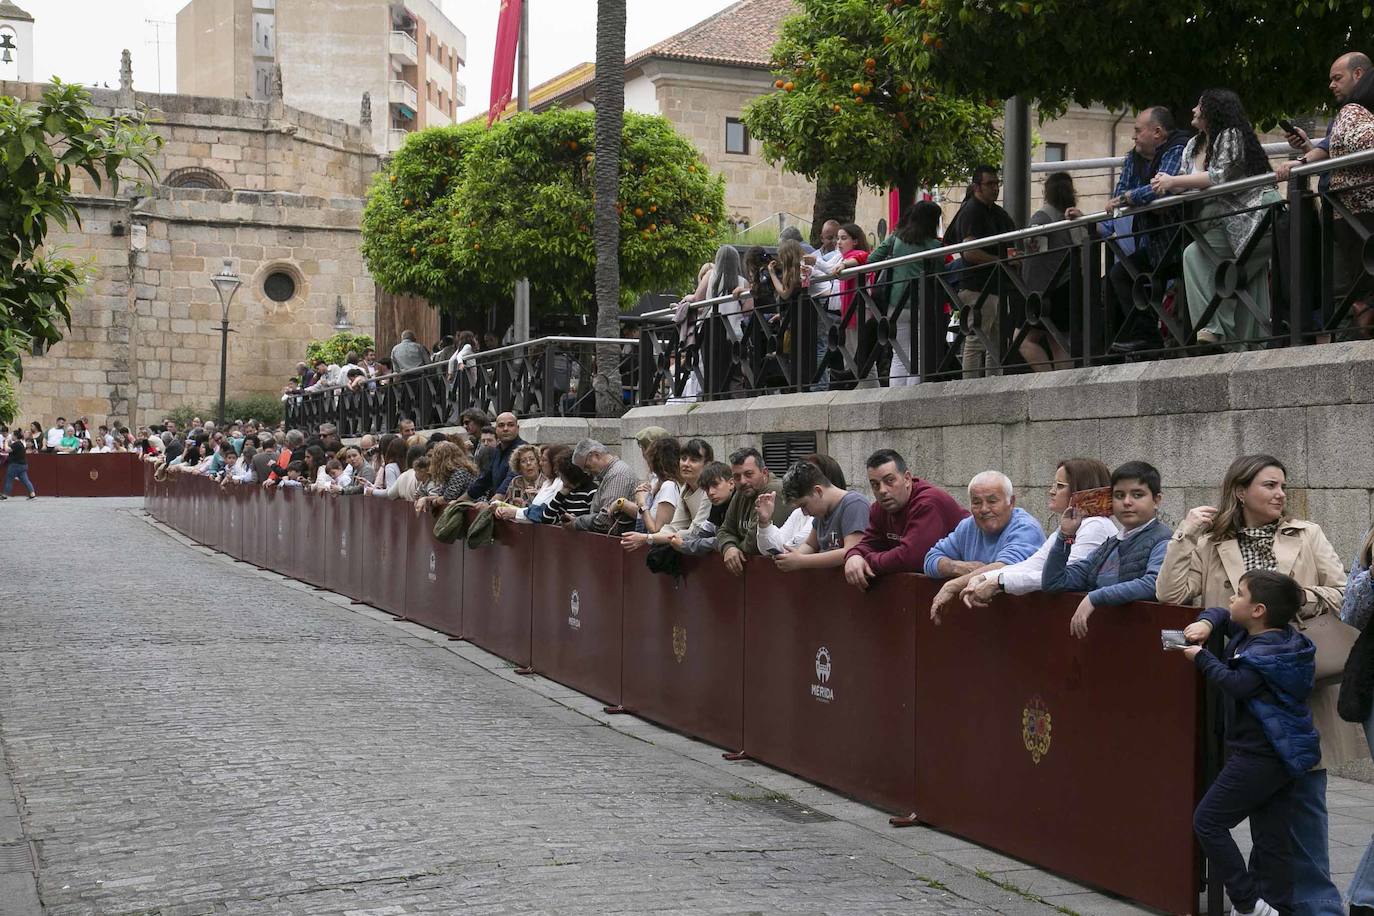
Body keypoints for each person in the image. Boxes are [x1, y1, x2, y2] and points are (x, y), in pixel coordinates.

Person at [1157, 454, 1359, 916]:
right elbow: (1170, 596)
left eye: (1283, 486)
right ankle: (1268, 902)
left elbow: (1342, 591)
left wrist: (1289, 598)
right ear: (1240, 490)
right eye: (1270, 485)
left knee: (1305, 802)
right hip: (1240, 690)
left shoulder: (1306, 534)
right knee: (1265, 814)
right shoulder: (1209, 540)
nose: (1280, 494)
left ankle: (1317, 906)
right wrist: (1185, 530)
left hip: (1296, 683)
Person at [1181, 570, 1321, 916]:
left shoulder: (1265, 653)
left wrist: (1201, 658)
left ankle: (1246, 902)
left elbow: (1237, 683)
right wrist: (1207, 622)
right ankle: (1277, 908)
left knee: (1208, 821)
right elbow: (1218, 612)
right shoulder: (1267, 636)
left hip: (1260, 755)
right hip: (1277, 754)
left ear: (1257, 610)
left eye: (1238, 593)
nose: (1231, 598)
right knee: (1272, 836)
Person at [1150, 89, 1279, 350]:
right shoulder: (1193, 145)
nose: (1194, 110)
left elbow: (1219, 177)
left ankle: (1228, 337)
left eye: (1199, 105)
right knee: (1204, 260)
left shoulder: (1230, 136)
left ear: (1214, 110)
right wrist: (1165, 184)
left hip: (1257, 214)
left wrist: (1173, 181)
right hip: (1228, 221)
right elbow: (1189, 183)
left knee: (1232, 274)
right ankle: (1223, 335)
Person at [1041, 461, 1172, 638]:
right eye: (1119, 495)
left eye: (1137, 495)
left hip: (1144, 642)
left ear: (1156, 500)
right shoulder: (1109, 546)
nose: (1127, 502)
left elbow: (1154, 584)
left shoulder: (1164, 540)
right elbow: (1054, 582)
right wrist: (1065, 536)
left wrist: (1094, 598)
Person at [960, 458, 1115, 607]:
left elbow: (1061, 576)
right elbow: (1034, 564)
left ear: (1082, 491)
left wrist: (999, 582)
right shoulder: (1074, 525)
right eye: (1054, 485)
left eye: (1060, 486)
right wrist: (982, 577)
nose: (1051, 491)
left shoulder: (1096, 525)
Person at [1106, 106, 1191, 351]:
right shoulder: (1134, 157)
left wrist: (1132, 198)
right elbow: (1119, 194)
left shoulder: (1177, 147)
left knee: (1131, 277)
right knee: (1120, 275)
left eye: (1137, 130)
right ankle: (1147, 339)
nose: (1133, 136)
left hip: (1179, 239)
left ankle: (1178, 340)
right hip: (1155, 243)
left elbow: (1161, 187)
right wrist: (1137, 198)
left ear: (1157, 132)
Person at [925, 471, 1045, 620]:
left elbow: (1006, 567)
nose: (984, 509)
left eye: (992, 501)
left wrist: (952, 586)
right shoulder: (968, 526)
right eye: (976, 502)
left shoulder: (1026, 528)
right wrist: (959, 568)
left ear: (1011, 502)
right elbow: (930, 559)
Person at [844, 449, 968, 591]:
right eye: (875, 484)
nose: (882, 490)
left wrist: (866, 561)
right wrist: (853, 556)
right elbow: (869, 543)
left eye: (889, 481)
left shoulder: (928, 503)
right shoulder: (879, 508)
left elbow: (912, 558)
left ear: (907, 479)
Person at [945, 164, 1017, 378]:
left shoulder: (995, 212)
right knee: (978, 340)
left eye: (997, 183)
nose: (995, 188)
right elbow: (969, 252)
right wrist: (1002, 260)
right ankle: (971, 389)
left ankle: (991, 387)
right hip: (977, 285)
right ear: (977, 186)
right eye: (990, 184)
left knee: (993, 342)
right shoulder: (972, 211)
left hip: (991, 285)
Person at [869, 201, 943, 386]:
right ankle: (912, 400)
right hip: (922, 305)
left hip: (896, 305)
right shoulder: (935, 245)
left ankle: (895, 397)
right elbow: (941, 273)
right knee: (918, 357)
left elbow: (872, 259)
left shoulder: (895, 239)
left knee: (899, 355)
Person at [1020, 172, 1085, 371]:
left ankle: (1048, 381)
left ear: (1046, 192)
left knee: (1022, 341)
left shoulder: (1041, 217)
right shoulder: (1073, 216)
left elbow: (1035, 256)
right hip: (1070, 285)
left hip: (1046, 290)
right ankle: (1062, 388)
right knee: (1059, 341)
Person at [765, 459, 870, 572]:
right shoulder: (821, 512)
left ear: (818, 491)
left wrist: (801, 561)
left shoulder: (854, 504)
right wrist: (792, 556)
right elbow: (810, 545)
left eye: (804, 505)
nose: (804, 513)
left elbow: (851, 550)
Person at [620, 438, 714, 550]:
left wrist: (647, 537)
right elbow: (674, 527)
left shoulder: (711, 490)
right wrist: (647, 537)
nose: (686, 464)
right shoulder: (685, 488)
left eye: (694, 460)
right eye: (683, 459)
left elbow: (695, 532)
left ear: (707, 464)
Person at [715, 447, 791, 576]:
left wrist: (735, 545)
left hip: (777, 576)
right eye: (737, 477)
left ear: (764, 473)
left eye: (749, 474)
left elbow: (755, 545)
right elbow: (724, 530)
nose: (743, 481)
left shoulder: (773, 491)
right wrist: (729, 547)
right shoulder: (742, 492)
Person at [563, 439, 638, 534]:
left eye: (587, 466)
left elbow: (605, 520)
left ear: (596, 455)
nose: (587, 472)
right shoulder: (610, 474)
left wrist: (577, 522)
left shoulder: (617, 474)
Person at [614, 436, 681, 535]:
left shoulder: (669, 487)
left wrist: (642, 503)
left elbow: (657, 530)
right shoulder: (658, 485)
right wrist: (647, 495)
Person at [670, 460, 736, 556]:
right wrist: (681, 540)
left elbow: (722, 540)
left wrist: (685, 545)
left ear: (731, 483)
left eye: (715, 485)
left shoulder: (739, 502)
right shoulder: (717, 505)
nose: (711, 492)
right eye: (706, 488)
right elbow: (702, 533)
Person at [468, 412, 525, 500]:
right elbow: (484, 480)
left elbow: (510, 480)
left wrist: (489, 505)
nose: (505, 429)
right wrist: (459, 501)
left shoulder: (523, 450)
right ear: (496, 429)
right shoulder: (497, 451)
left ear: (517, 428)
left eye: (510, 425)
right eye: (501, 425)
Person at [414, 440, 478, 515]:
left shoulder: (460, 472)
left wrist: (434, 502)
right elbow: (441, 495)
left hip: (473, 512)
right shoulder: (449, 474)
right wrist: (424, 498)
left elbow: (448, 497)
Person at [0, 428, 36, 499]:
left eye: (12, 435)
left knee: (9, 479)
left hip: (15, 465)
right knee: (25, 480)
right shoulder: (20, 444)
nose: (11, 436)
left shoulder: (16, 444)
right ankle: (32, 494)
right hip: (23, 465)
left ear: (15, 436)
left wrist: (6, 442)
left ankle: (5, 495)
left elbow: (7, 450)